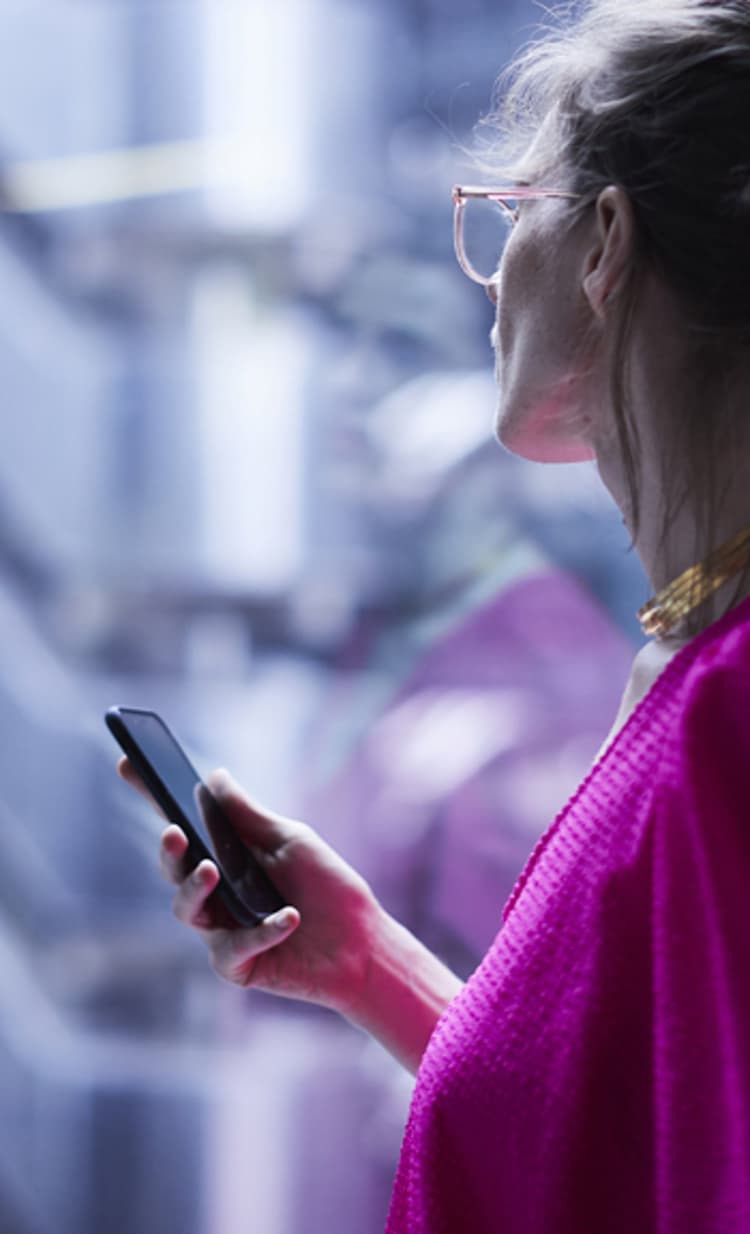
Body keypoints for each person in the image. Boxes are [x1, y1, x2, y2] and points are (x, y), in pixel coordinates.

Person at [117, 1, 750, 1229]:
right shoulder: (691, 668)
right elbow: (611, 1149)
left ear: (606, 241)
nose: (492, 271)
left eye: (515, 211)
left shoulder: (725, 707)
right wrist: (374, 968)